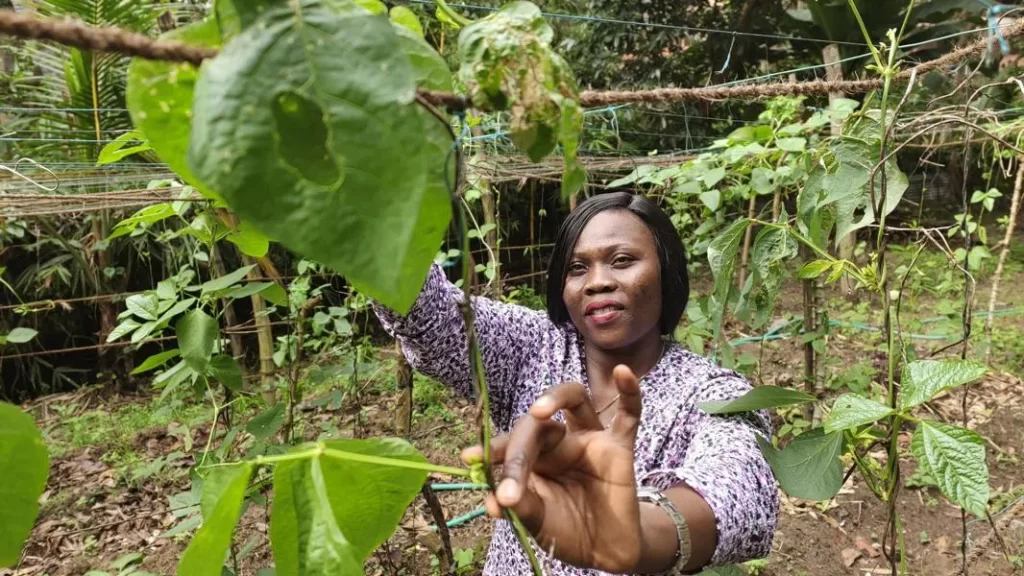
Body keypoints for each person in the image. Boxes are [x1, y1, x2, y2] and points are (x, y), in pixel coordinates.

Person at [374, 192, 778, 575]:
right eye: (577, 267)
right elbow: (429, 318)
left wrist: (639, 532)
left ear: (666, 272)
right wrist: (374, 198)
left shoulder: (713, 393)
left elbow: (738, 486)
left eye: (622, 260)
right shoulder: (533, 345)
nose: (597, 281)